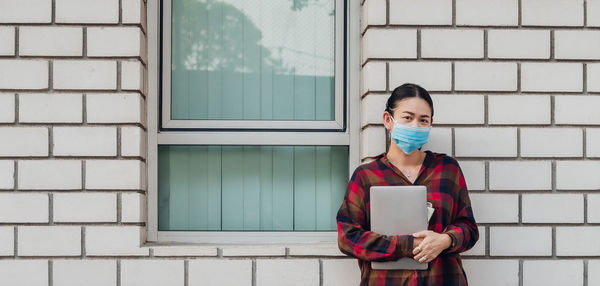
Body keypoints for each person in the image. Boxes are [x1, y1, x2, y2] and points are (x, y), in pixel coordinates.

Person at [336, 83, 478, 285]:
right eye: (408, 118)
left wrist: (445, 240)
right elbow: (347, 237)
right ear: (388, 120)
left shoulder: (447, 169)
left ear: (430, 124)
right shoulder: (366, 176)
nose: (415, 126)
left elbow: (469, 228)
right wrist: (406, 245)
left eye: (423, 120)